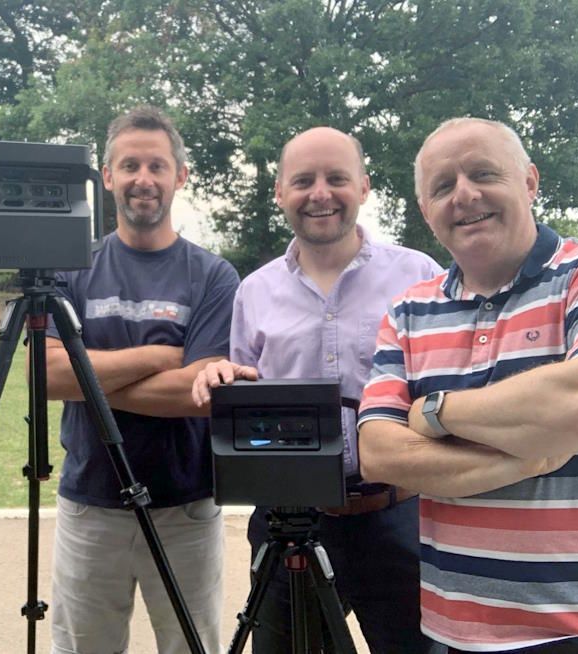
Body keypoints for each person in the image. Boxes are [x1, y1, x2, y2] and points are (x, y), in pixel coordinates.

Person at [191, 126, 441, 652]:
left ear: (364, 186)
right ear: (280, 192)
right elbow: (247, 402)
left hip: (398, 516)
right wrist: (223, 381)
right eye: (303, 180)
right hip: (289, 520)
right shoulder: (254, 291)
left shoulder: (419, 276)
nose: (320, 193)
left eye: (337, 178)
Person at [358, 117, 578, 653]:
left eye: (483, 174)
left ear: (529, 181)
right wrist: (526, 459)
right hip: (454, 631)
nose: (464, 195)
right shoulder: (409, 310)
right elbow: (378, 453)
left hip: (577, 627)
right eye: (443, 186)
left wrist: (434, 412)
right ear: (426, 211)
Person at [44, 105, 240, 654]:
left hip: (186, 506)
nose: (143, 179)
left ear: (181, 176)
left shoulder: (214, 276)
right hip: (91, 503)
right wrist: (161, 355)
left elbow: (199, 394)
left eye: (157, 166)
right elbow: (50, 374)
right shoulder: (71, 267)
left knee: (192, 647)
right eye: (130, 166)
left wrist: (90, 378)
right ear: (107, 176)